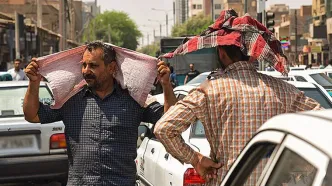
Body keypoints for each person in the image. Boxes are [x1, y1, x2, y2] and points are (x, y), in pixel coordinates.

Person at [154, 32, 322, 186]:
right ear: (250, 55)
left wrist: (196, 159)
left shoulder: (207, 91)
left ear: (221, 52)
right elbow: (323, 124)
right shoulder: (282, 89)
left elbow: (164, 128)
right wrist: (296, 165)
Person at [23, 41, 177, 186]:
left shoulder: (135, 100)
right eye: (83, 65)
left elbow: (171, 122)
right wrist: (34, 83)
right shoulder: (70, 100)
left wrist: (166, 85)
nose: (85, 71)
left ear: (111, 68)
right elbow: (33, 115)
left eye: (93, 65)